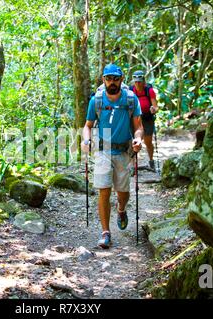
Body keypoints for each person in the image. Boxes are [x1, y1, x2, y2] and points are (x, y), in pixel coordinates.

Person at [81, 64, 143, 249]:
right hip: (102, 150)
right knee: (104, 190)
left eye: (115, 79)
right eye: (108, 78)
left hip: (123, 151)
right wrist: (86, 141)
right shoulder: (97, 100)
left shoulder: (131, 99)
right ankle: (105, 233)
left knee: (123, 193)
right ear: (103, 80)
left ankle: (121, 209)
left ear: (121, 79)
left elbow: (138, 127)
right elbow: (88, 125)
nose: (112, 82)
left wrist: (138, 140)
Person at [130, 70, 159, 171]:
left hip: (147, 118)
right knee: (134, 141)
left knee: (148, 142)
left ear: (144, 82)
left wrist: (153, 109)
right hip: (135, 119)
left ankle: (151, 161)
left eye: (140, 81)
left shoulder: (149, 91)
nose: (138, 84)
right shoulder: (131, 91)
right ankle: (133, 166)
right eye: (136, 81)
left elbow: (155, 107)